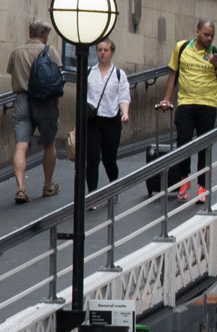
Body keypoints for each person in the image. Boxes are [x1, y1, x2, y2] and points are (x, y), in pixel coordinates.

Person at [167, 19, 217, 200]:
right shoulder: (181, 48)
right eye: (206, 34)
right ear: (197, 32)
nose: (209, 39)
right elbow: (173, 73)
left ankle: (202, 186)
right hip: (185, 103)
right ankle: (184, 180)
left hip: (207, 105)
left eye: (212, 35)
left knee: (204, 145)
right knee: (183, 142)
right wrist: (166, 98)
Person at [9, 18, 69, 203]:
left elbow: (12, 73)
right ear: (45, 35)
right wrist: (55, 105)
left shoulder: (17, 52)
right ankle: (48, 185)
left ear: (30, 33)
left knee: (21, 145)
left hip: (22, 100)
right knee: (49, 144)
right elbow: (58, 79)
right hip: (45, 102)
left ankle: (20, 188)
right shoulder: (49, 51)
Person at [79, 34, 130, 199]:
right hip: (93, 121)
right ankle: (92, 195)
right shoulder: (89, 73)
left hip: (111, 121)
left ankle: (114, 188)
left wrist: (125, 113)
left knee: (109, 159)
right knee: (92, 158)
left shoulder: (119, 75)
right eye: (99, 50)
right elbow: (82, 98)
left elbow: (123, 97)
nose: (102, 53)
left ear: (111, 52)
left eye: (105, 50)